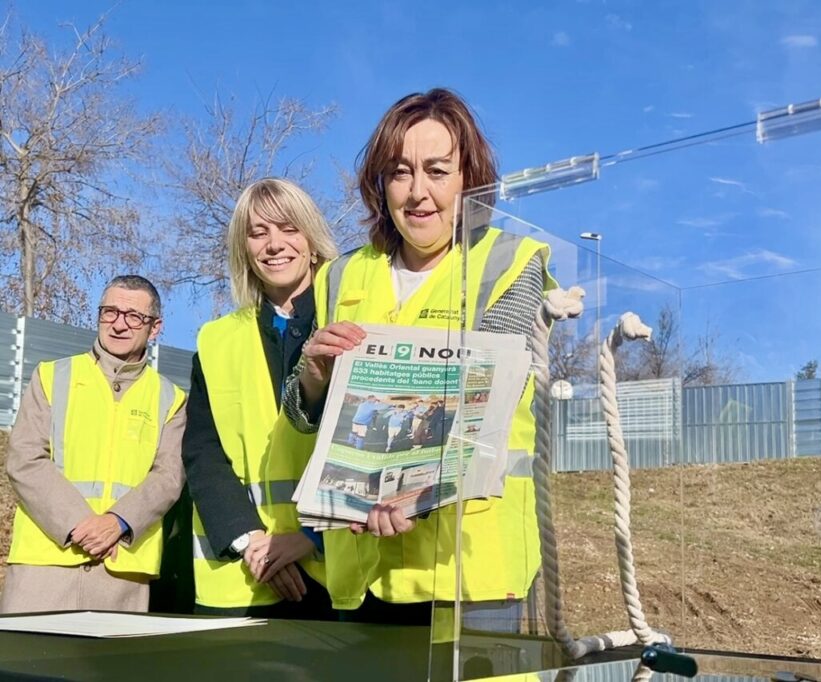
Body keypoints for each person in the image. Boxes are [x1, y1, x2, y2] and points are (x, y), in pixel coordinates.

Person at [283, 88, 552, 631]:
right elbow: (301, 414)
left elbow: (490, 413)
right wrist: (313, 373)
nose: (418, 192)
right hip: (361, 571)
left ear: (469, 178)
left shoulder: (510, 264)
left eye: (437, 171)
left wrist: (414, 495)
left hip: (469, 571)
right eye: (401, 172)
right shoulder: (339, 274)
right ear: (380, 184)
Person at [182, 178, 339, 618]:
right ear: (244, 250)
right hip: (246, 575)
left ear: (311, 240)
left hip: (341, 566)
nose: (274, 244)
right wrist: (252, 540)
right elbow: (202, 451)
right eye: (257, 233)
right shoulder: (217, 340)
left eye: (288, 228)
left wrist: (309, 539)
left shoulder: (351, 320)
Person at [1, 275, 186, 613]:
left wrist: (118, 522)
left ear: (155, 327)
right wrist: (78, 524)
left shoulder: (171, 398)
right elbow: (25, 458)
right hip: (45, 563)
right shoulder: (51, 376)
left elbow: (168, 477)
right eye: (109, 312)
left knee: (108, 668)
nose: (119, 324)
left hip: (123, 569)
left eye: (133, 316)